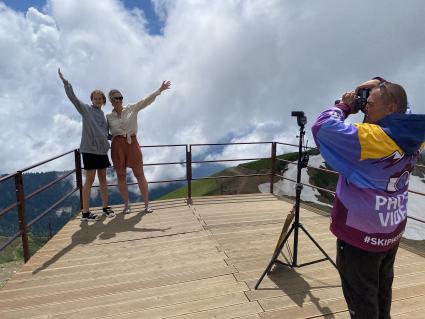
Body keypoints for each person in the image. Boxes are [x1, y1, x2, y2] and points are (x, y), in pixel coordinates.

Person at [312, 77, 425, 318]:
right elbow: (401, 100)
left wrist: (344, 106)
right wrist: (379, 84)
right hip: (390, 231)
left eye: (370, 103)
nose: (365, 107)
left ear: (390, 108)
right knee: (382, 292)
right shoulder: (415, 131)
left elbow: (322, 127)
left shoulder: (371, 138)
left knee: (362, 302)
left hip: (360, 236)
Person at [58, 68, 116, 221]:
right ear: (92, 100)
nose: (97, 100)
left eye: (100, 98)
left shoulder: (103, 115)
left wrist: (115, 136)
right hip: (89, 150)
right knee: (89, 181)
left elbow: (103, 134)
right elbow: (73, 99)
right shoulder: (86, 110)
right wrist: (66, 83)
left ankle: (105, 207)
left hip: (102, 151)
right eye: (95, 98)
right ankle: (85, 212)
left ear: (103, 101)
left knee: (103, 179)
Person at [106, 81, 171, 214]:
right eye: (115, 98)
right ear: (111, 101)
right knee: (121, 175)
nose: (118, 100)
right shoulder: (108, 116)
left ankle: (147, 204)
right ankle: (126, 205)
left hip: (132, 142)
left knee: (139, 173)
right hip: (117, 146)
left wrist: (159, 90)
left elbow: (145, 101)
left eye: (120, 97)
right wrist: (111, 138)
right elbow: (104, 132)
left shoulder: (131, 108)